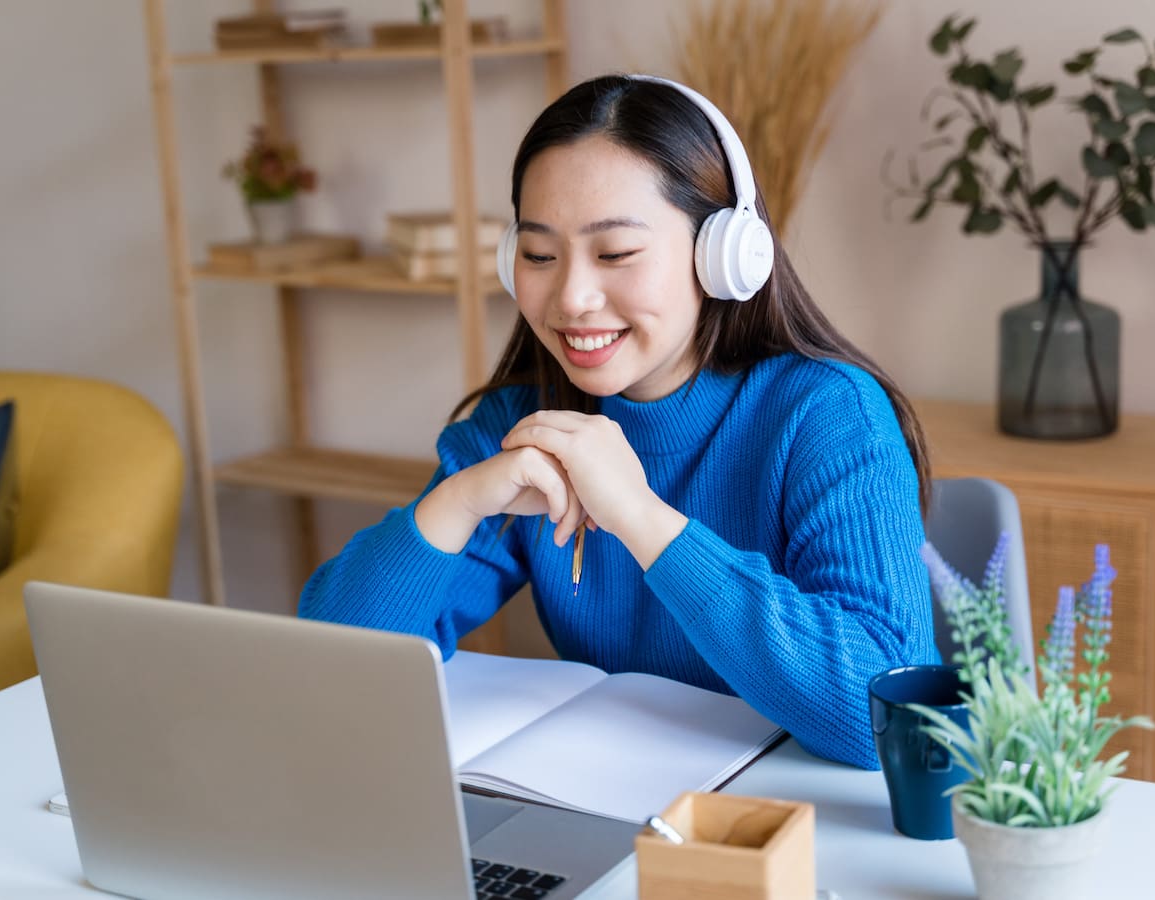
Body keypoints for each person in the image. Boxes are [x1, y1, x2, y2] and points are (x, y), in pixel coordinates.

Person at [299, 73, 938, 770]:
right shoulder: (522, 421)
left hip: (791, 834)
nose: (571, 297)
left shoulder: (827, 416)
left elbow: (889, 719)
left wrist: (641, 516)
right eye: (540, 256)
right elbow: (339, 667)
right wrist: (457, 501)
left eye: (616, 254)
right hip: (608, 814)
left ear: (723, 256)